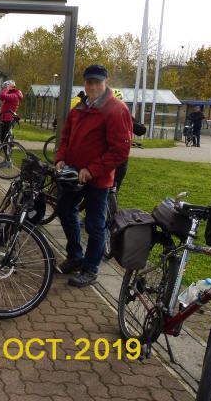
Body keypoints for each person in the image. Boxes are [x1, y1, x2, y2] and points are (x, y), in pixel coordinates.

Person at [55, 65, 132, 287]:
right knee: (64, 210)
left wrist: (92, 170)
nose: (93, 86)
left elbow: (119, 150)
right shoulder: (80, 107)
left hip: (98, 179)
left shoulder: (116, 109)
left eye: (98, 82)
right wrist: (60, 158)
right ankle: (75, 256)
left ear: (106, 82)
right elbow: (66, 136)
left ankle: (90, 269)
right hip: (73, 174)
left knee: (94, 225)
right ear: (85, 83)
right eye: (89, 82)